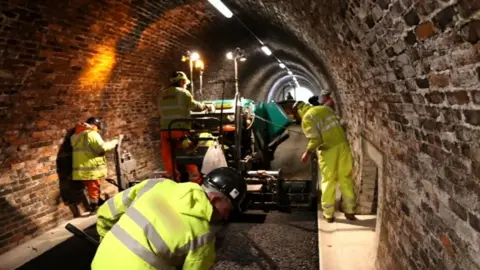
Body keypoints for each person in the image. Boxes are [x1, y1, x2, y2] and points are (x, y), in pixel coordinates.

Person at [91, 167, 247, 270]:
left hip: (100, 263)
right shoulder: (202, 238)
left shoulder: (156, 185)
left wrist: (107, 242)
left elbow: (106, 212)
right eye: (228, 209)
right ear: (214, 199)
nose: (226, 216)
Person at [292, 101, 356, 223]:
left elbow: (316, 139)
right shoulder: (325, 109)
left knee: (328, 180)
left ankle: (329, 214)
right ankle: (350, 211)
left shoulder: (307, 118)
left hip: (328, 151)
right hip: (343, 146)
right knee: (345, 178)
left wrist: (307, 152)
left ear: (298, 111)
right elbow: (342, 123)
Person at [158, 71, 213, 184]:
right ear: (182, 81)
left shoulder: (162, 94)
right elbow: (194, 106)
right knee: (187, 154)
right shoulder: (183, 93)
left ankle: (173, 178)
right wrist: (206, 106)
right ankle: (195, 179)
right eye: (185, 82)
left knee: (168, 155)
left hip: (165, 130)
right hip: (180, 130)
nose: (185, 84)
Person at [71, 117, 119, 212]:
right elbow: (101, 148)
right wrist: (114, 142)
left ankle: (98, 202)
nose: (97, 129)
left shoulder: (75, 136)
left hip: (82, 168)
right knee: (93, 187)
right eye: (97, 127)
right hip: (91, 167)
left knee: (91, 188)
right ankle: (94, 208)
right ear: (94, 125)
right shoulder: (92, 134)